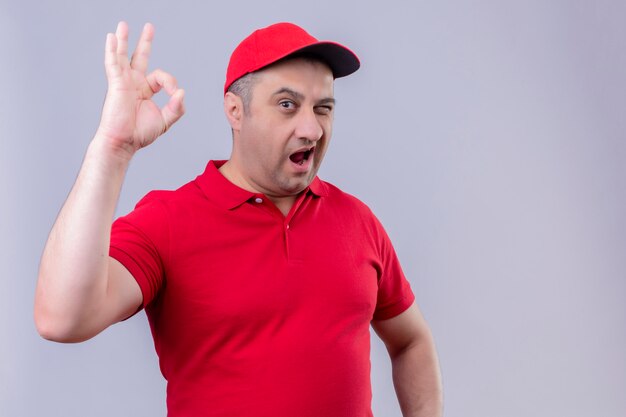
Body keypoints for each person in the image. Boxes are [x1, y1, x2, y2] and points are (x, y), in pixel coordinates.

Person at [35, 21, 443, 417]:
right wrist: (112, 149)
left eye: (323, 108)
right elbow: (61, 318)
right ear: (235, 110)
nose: (312, 128)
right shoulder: (169, 221)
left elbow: (410, 341)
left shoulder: (358, 221)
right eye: (287, 105)